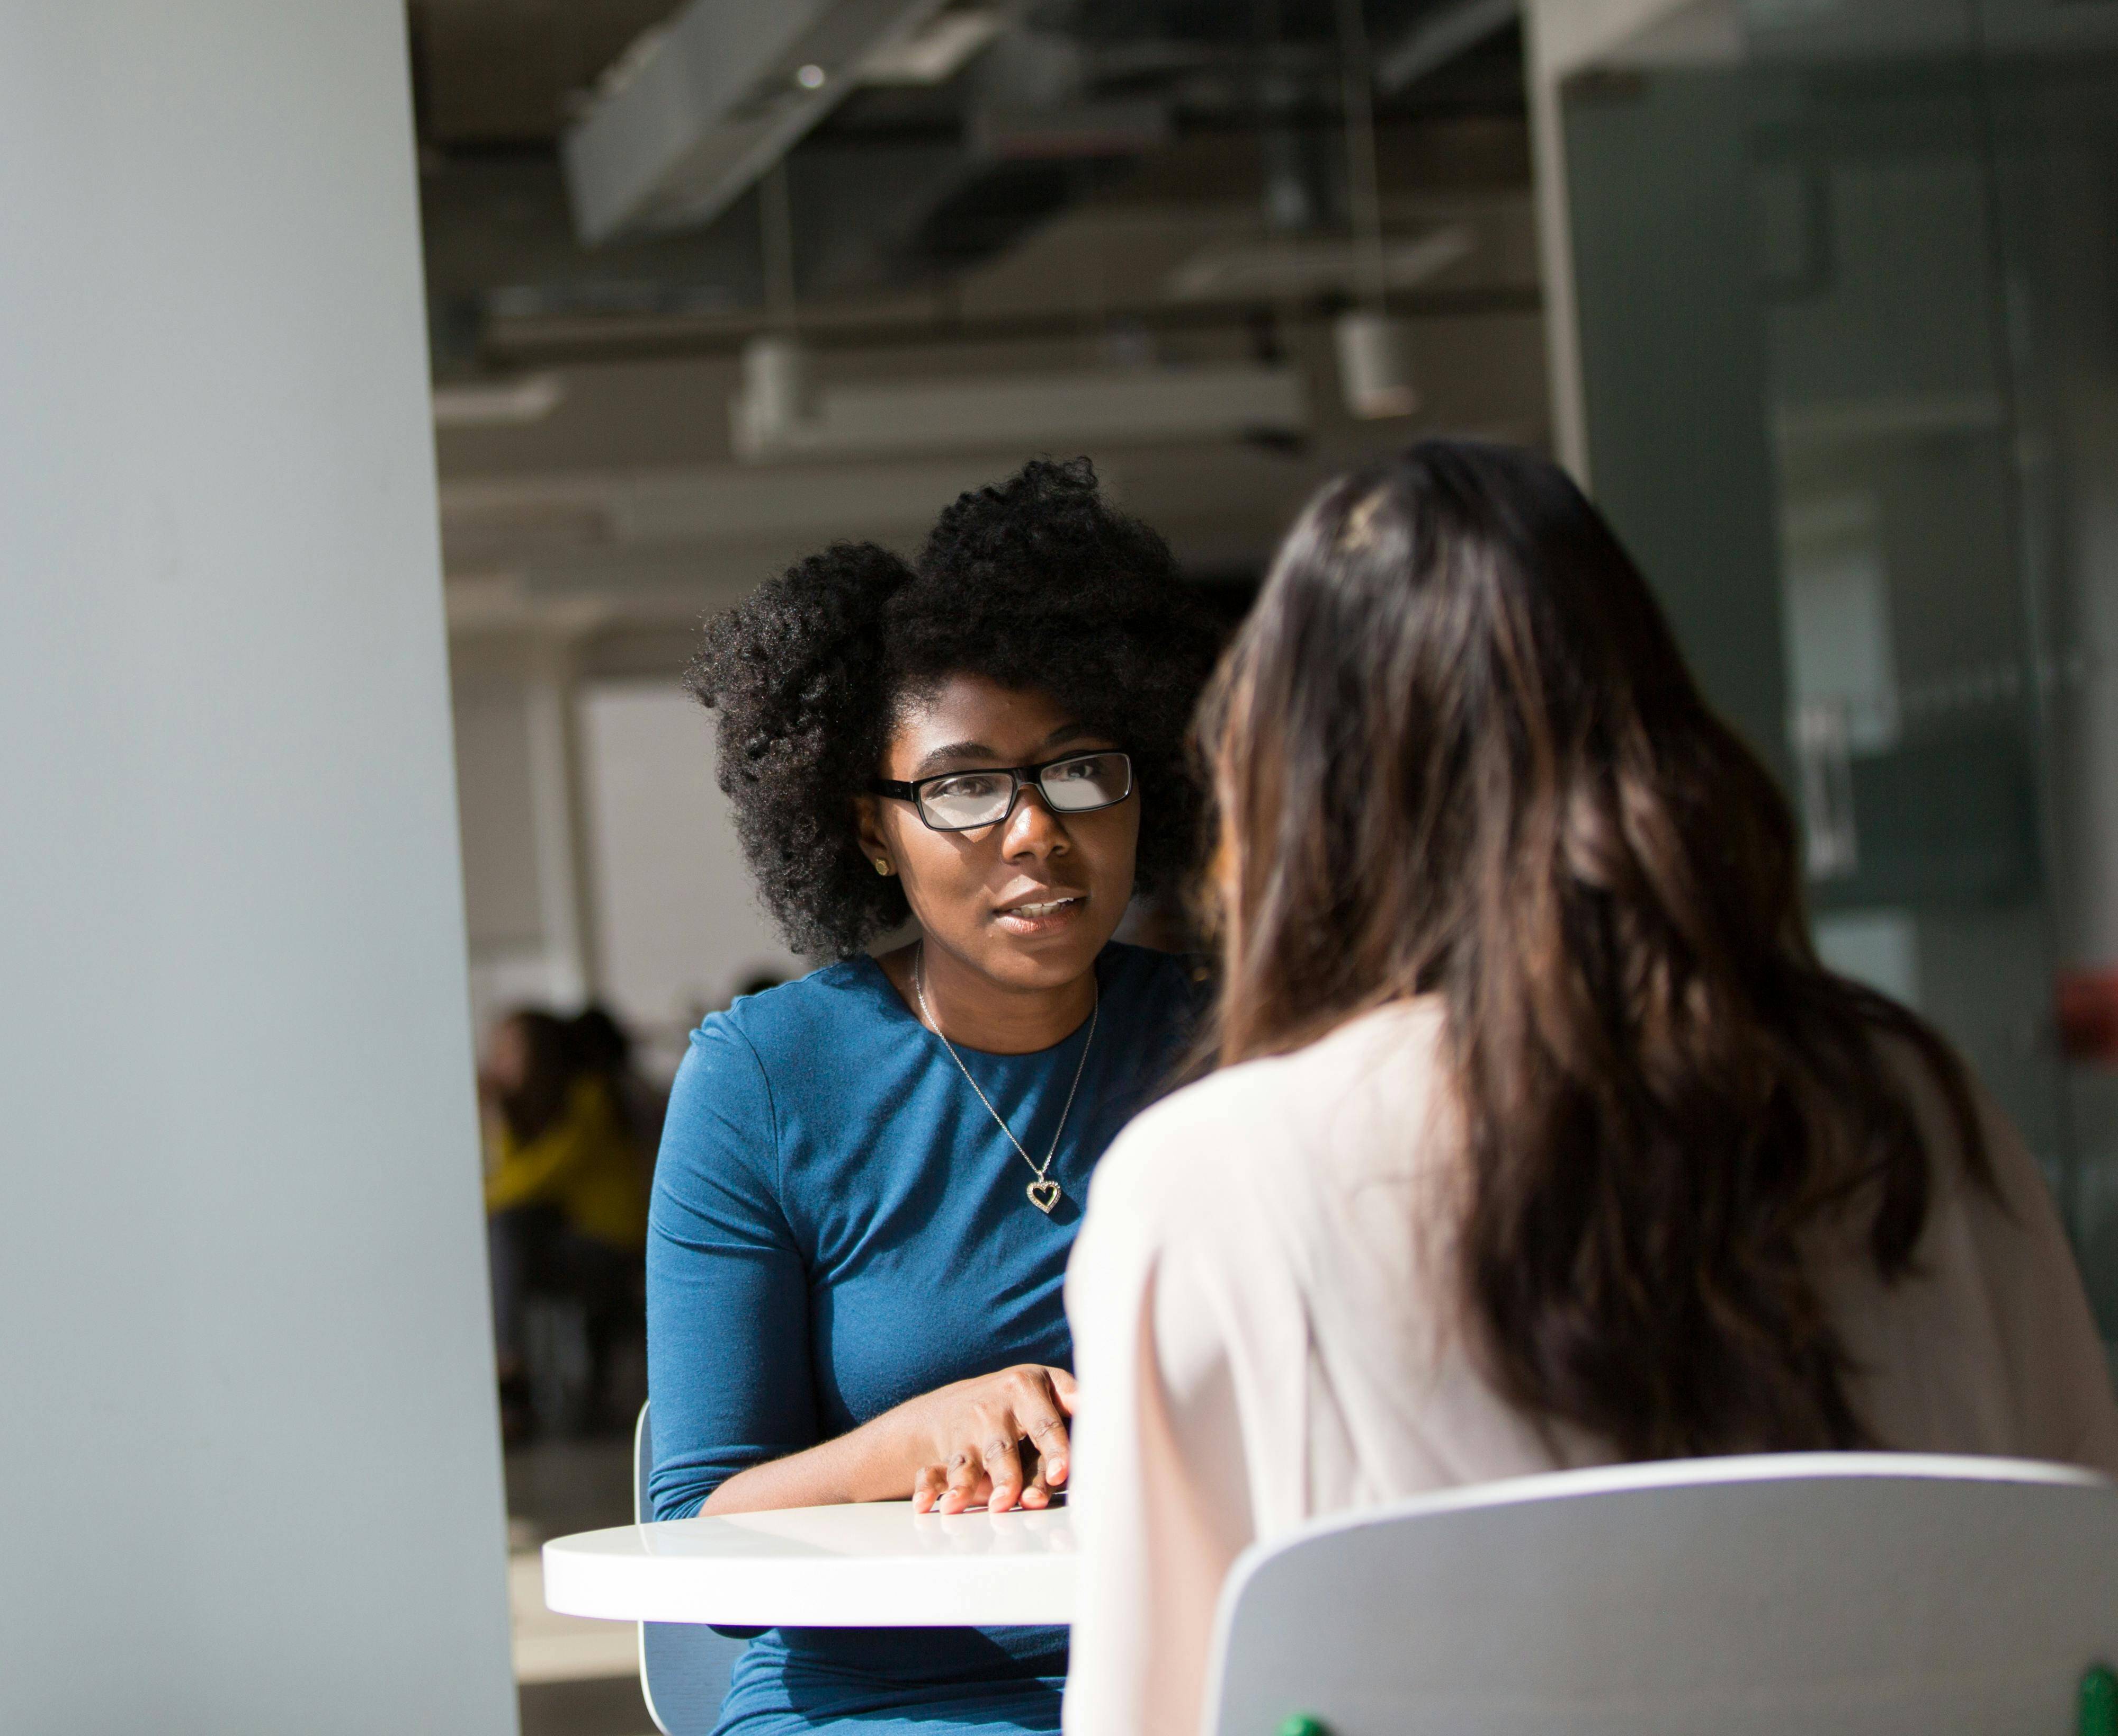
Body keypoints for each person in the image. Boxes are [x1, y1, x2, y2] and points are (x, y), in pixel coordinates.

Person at [1062, 441, 2118, 1736]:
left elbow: (1141, 1715)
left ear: (1295, 794)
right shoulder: (1911, 1105)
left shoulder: (1208, 1186)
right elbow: (2083, 1610)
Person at [652, 458, 1220, 1735]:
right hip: (882, 1701)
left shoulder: (1222, 1041)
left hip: (1199, 1676)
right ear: (867, 827)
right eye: (964, 786)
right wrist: (920, 1436)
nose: (1034, 830)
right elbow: (694, 1537)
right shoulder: (765, 1078)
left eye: (1080, 770)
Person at [482, 1007, 648, 1439]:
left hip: (609, 1244)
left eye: (509, 1050)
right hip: (565, 1241)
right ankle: (509, 1372)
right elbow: (515, 1179)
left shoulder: (587, 1099)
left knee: (505, 1234)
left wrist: (474, 1203)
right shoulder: (523, 1113)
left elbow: (539, 1178)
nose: (498, 1061)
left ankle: (509, 1372)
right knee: (505, 1237)